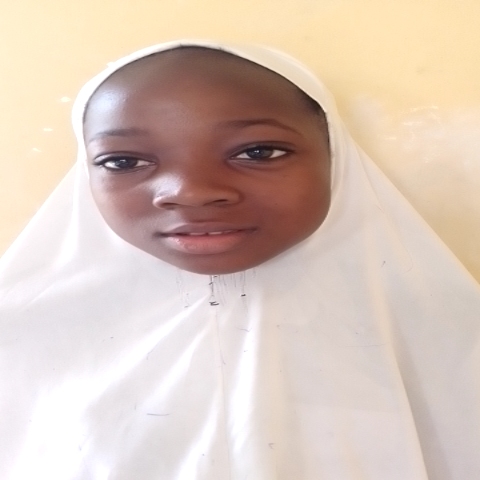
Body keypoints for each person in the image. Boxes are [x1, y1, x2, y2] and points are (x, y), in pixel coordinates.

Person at [0, 40, 479, 480]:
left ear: (336, 158)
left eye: (259, 152)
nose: (190, 191)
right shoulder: (23, 338)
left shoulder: (448, 333)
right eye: (124, 161)